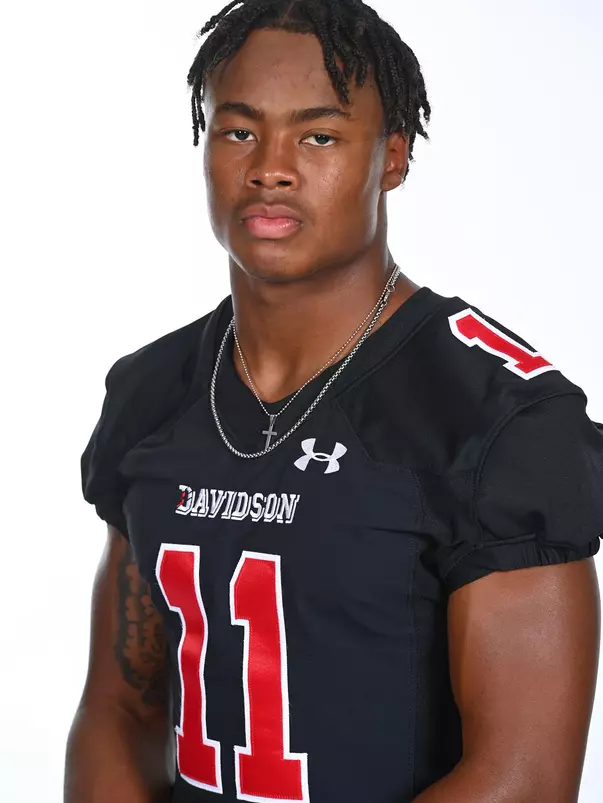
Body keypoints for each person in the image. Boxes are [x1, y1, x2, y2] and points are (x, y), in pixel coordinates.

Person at [65, 1, 603, 802]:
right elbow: (121, 707)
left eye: (317, 136)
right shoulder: (152, 390)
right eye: (238, 131)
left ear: (391, 157)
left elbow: (520, 778)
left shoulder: (497, 416)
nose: (270, 167)